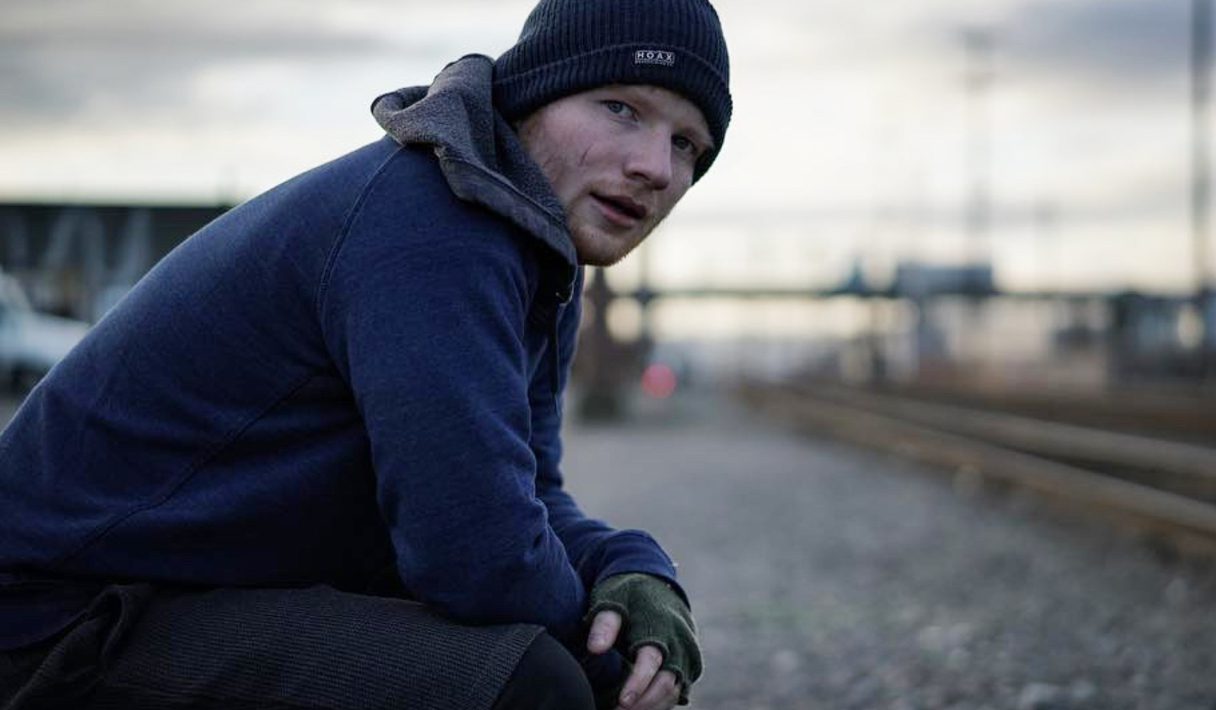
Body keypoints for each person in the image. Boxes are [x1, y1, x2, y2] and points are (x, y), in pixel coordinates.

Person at [0, 0, 730, 708]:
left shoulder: (538, 256)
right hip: (55, 621)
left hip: (182, 590)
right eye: (621, 108)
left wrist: (631, 571)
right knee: (528, 683)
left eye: (686, 145)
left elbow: (526, 496)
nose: (655, 167)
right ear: (535, 92)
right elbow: (476, 560)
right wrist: (613, 667)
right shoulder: (437, 227)